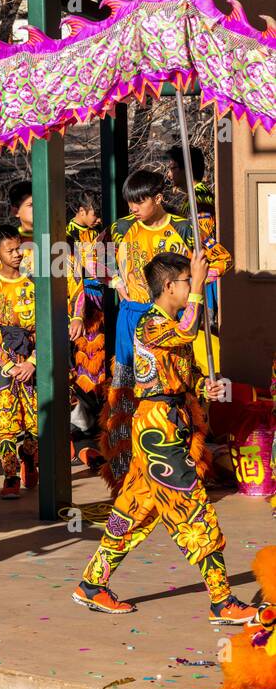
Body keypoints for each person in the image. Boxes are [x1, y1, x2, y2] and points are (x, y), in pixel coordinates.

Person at [72, 251, 256, 624]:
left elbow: (181, 378)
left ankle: (92, 584)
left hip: (168, 421)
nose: (191, 287)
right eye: (187, 281)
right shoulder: (151, 324)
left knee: (133, 511)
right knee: (195, 510)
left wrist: (206, 389)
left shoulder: (170, 325)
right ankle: (221, 600)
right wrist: (200, 289)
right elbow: (188, 330)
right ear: (170, 287)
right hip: (159, 429)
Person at [99, 168, 232, 490]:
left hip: (172, 317)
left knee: (177, 388)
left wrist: (192, 289)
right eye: (129, 202)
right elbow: (90, 254)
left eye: (139, 202)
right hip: (132, 316)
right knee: (125, 391)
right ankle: (124, 472)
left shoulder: (186, 228)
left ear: (158, 198)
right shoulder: (120, 228)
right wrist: (116, 281)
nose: (133, 208)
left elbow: (222, 260)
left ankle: (185, 470)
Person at [0, 225, 39, 499]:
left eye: (19, 249)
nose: (16, 255)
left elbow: (49, 322)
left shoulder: (36, 281)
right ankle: (10, 475)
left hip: (33, 355)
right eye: (10, 250)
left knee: (36, 419)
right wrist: (8, 364)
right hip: (1, 362)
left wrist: (33, 362)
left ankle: (29, 455)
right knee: (5, 420)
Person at [66, 190, 107, 468]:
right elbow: (70, 276)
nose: (97, 217)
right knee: (79, 368)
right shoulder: (66, 235)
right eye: (93, 212)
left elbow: (110, 268)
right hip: (79, 308)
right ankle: (78, 431)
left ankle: (96, 428)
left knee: (101, 366)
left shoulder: (101, 233)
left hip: (101, 304)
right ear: (81, 210)